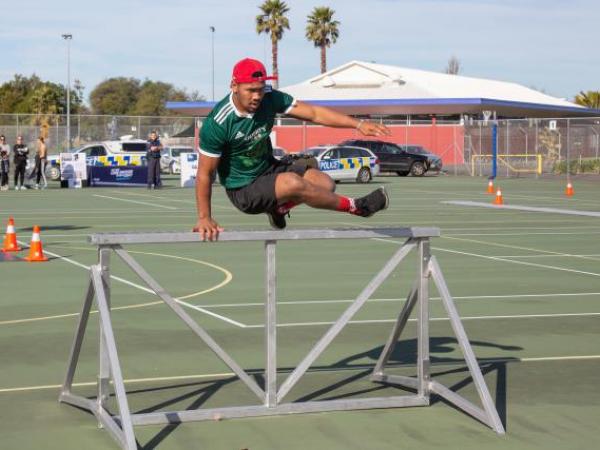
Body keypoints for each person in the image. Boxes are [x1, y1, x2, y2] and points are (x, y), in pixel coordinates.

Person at [194, 58, 391, 241]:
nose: (257, 96)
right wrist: (204, 217)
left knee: (325, 184)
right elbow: (205, 173)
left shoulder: (270, 98)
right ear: (234, 86)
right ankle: (358, 207)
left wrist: (358, 125)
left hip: (269, 169)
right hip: (243, 189)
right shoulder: (218, 123)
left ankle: (280, 209)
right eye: (250, 90)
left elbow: (313, 113)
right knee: (294, 183)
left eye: (260, 90)